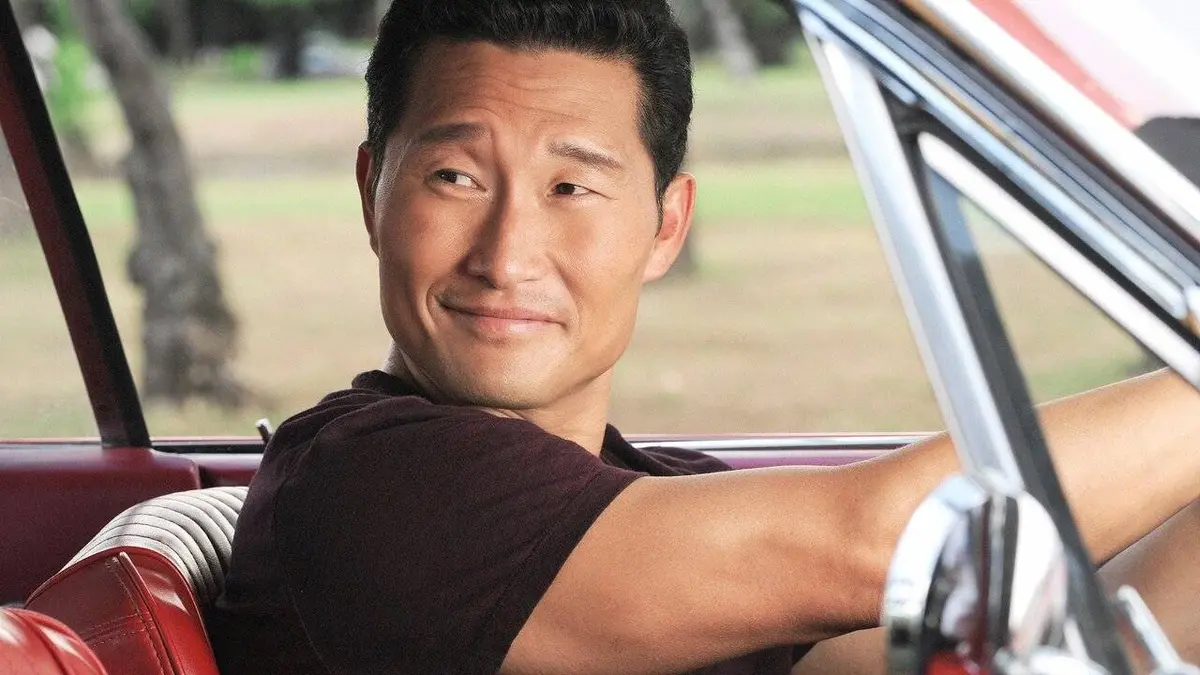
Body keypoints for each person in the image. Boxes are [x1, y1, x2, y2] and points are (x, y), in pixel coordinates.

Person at [207, 0, 1200, 672]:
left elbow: (999, 642)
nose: (507, 256)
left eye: (571, 187)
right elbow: (881, 543)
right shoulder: (371, 491)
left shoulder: (650, 497)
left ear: (665, 226)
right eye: (455, 177)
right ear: (372, 194)